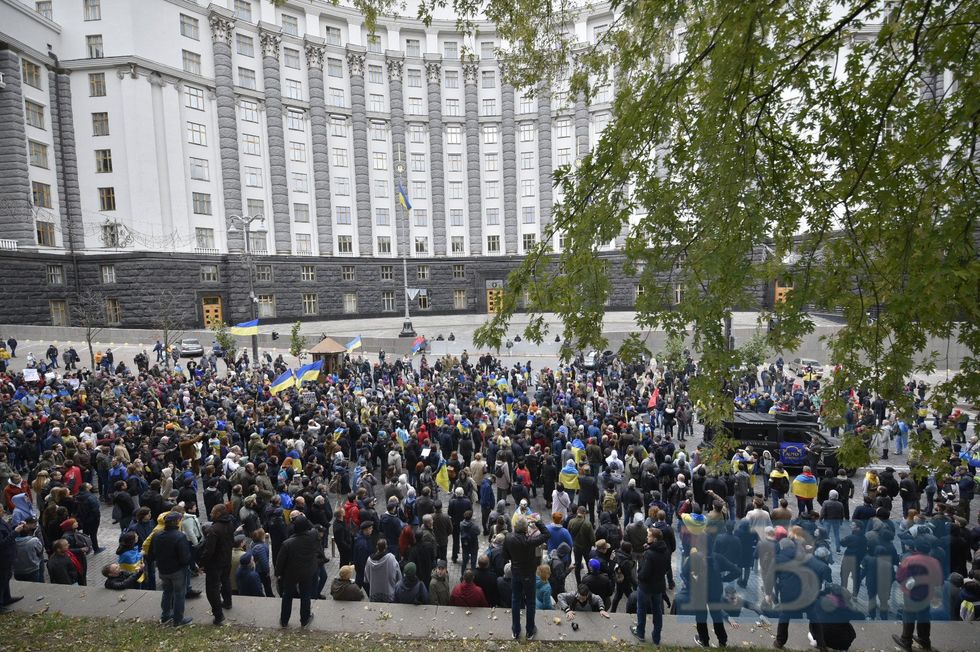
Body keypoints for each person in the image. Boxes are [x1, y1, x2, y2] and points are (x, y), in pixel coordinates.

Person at [503, 516, 551, 640]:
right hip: (529, 574)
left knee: (515, 600)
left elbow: (505, 555)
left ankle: (515, 630)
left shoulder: (508, 538)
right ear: (526, 529)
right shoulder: (530, 541)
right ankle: (530, 630)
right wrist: (538, 521)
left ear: (514, 527)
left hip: (516, 573)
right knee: (530, 602)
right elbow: (546, 534)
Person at [275, 515, 322, 628]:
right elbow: (313, 528)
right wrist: (305, 518)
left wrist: (278, 574)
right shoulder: (313, 536)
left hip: (291, 573)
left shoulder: (287, 543)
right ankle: (305, 619)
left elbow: (280, 561)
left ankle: (284, 620)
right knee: (305, 594)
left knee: (287, 596)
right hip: (307, 571)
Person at [150, 511, 193, 627]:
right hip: (177, 570)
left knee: (167, 592)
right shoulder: (180, 536)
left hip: (163, 569)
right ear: (176, 522)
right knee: (179, 594)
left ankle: (165, 616)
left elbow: (151, 553)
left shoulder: (157, 534)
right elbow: (184, 557)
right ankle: (178, 619)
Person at [633, 527, 670, 644]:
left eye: (648, 536)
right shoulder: (666, 550)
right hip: (658, 586)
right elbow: (667, 568)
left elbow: (644, 573)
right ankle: (656, 637)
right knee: (657, 611)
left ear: (654, 539)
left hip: (646, 587)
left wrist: (639, 575)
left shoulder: (649, 554)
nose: (646, 537)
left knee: (641, 609)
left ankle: (640, 633)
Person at [201, 504, 234, 625]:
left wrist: (202, 563)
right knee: (226, 581)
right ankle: (228, 602)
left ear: (218, 514)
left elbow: (209, 550)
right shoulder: (230, 524)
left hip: (215, 563)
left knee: (212, 589)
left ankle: (218, 615)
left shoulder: (213, 529)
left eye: (212, 512)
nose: (210, 514)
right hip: (226, 559)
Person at [364, 538, 401, 603]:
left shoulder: (369, 560)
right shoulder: (391, 558)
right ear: (386, 546)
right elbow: (397, 573)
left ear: (377, 547)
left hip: (374, 592)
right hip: (388, 592)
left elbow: (366, 576)